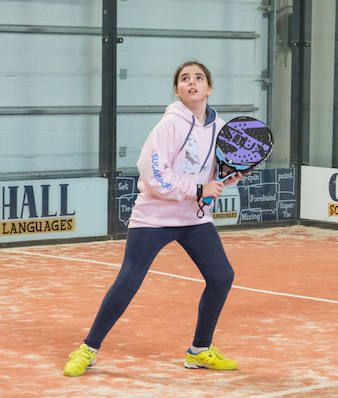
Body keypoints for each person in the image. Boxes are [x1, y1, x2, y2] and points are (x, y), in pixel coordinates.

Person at [63, 60, 244, 377]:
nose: (192, 82)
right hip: (154, 216)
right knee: (129, 279)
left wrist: (231, 178)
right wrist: (198, 189)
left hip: (194, 219)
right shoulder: (169, 125)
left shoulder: (221, 129)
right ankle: (88, 349)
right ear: (177, 90)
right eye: (184, 78)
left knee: (221, 277)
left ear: (209, 88)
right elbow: (153, 174)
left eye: (198, 78)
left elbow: (219, 175)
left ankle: (200, 351)